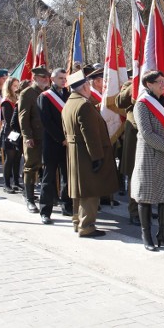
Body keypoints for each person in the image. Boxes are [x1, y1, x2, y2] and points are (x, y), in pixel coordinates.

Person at [62, 70, 119, 238]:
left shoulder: (69, 103)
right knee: (90, 191)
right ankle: (86, 226)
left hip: (74, 152)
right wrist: (97, 157)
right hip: (86, 153)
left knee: (78, 190)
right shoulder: (84, 105)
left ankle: (77, 221)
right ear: (85, 86)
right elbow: (90, 134)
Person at [131, 71, 164, 251]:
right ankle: (147, 236)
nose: (163, 84)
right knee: (146, 197)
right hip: (149, 155)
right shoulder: (142, 105)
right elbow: (146, 133)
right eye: (159, 82)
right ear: (149, 84)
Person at [37, 68, 72, 224]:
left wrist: (68, 138)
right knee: (48, 178)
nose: (63, 81)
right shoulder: (44, 97)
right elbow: (46, 122)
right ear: (52, 79)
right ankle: (45, 211)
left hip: (66, 143)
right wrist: (61, 138)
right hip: (52, 143)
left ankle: (67, 206)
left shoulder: (69, 96)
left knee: (66, 177)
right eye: (60, 78)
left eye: (65, 78)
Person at [18, 66, 49, 213]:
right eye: (42, 77)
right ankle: (29, 198)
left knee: (47, 166)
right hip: (34, 137)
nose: (45, 80)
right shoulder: (27, 93)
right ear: (35, 78)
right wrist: (27, 136)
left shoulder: (48, 92)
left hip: (47, 135)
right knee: (31, 167)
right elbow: (23, 117)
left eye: (46, 77)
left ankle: (48, 196)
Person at [115, 77, 141, 225]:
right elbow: (119, 102)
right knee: (135, 174)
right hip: (135, 135)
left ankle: (146, 208)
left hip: (152, 133)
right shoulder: (130, 84)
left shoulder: (158, 80)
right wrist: (135, 84)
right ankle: (134, 211)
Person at [0, 76, 21, 194]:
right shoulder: (6, 102)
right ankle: (6, 184)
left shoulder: (18, 99)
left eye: (18, 86)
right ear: (9, 87)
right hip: (9, 133)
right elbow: (8, 120)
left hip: (18, 132)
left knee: (18, 158)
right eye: (14, 86)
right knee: (10, 158)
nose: (16, 88)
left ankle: (16, 182)